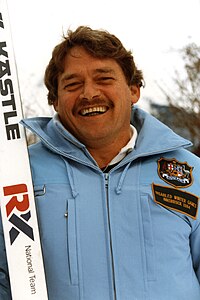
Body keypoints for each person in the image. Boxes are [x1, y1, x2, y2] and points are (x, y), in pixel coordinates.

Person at [1, 26, 200, 300]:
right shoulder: (19, 175)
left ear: (133, 90)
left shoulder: (191, 173)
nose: (89, 93)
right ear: (55, 101)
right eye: (72, 84)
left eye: (104, 78)